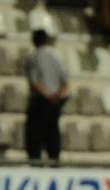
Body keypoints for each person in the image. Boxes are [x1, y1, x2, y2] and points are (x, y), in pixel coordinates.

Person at [25, 29, 69, 162]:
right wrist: (56, 96)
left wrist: (48, 95)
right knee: (53, 135)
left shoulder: (34, 57)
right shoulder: (55, 57)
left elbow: (34, 82)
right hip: (55, 102)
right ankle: (54, 162)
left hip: (40, 102)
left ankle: (36, 164)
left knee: (34, 137)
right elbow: (66, 83)